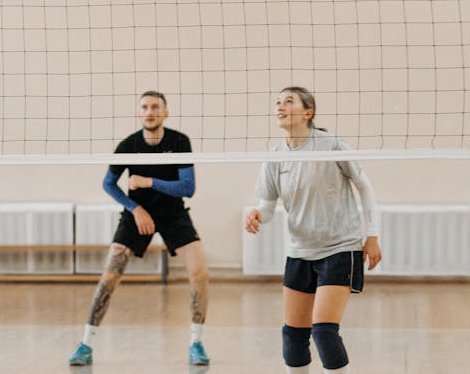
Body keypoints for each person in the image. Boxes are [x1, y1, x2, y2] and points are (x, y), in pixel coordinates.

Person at [244, 86, 381, 374]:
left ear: (309, 112)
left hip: (340, 248)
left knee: (323, 332)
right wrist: (258, 214)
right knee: (293, 337)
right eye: (277, 102)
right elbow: (268, 204)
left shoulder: (331, 146)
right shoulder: (275, 156)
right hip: (299, 252)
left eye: (288, 101)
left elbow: (364, 187)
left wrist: (372, 235)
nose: (280, 106)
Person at [69, 91, 210, 367]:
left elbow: (188, 188)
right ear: (138, 113)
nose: (149, 111)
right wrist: (136, 209)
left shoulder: (179, 141)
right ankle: (86, 343)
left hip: (173, 213)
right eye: (144, 107)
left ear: (165, 113)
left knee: (200, 273)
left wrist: (148, 182)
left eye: (155, 107)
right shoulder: (128, 145)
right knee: (110, 275)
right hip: (137, 214)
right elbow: (108, 184)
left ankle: (196, 342)